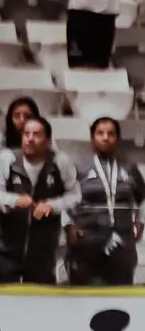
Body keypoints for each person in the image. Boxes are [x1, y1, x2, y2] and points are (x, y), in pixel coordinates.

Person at [67, 118, 145, 286]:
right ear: (92, 137)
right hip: (87, 240)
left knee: (121, 292)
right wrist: (68, 224)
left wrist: (141, 221)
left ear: (117, 139)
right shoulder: (78, 167)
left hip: (122, 241)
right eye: (100, 133)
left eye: (111, 134)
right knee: (85, 293)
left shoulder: (129, 167)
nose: (105, 137)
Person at [0, 116, 80, 284]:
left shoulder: (60, 162)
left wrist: (52, 205)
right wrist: (14, 200)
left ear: (48, 142)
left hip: (43, 254)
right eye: (26, 134)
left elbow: (75, 195)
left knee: (41, 296)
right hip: (6, 251)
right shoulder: (7, 159)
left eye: (36, 134)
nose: (30, 138)